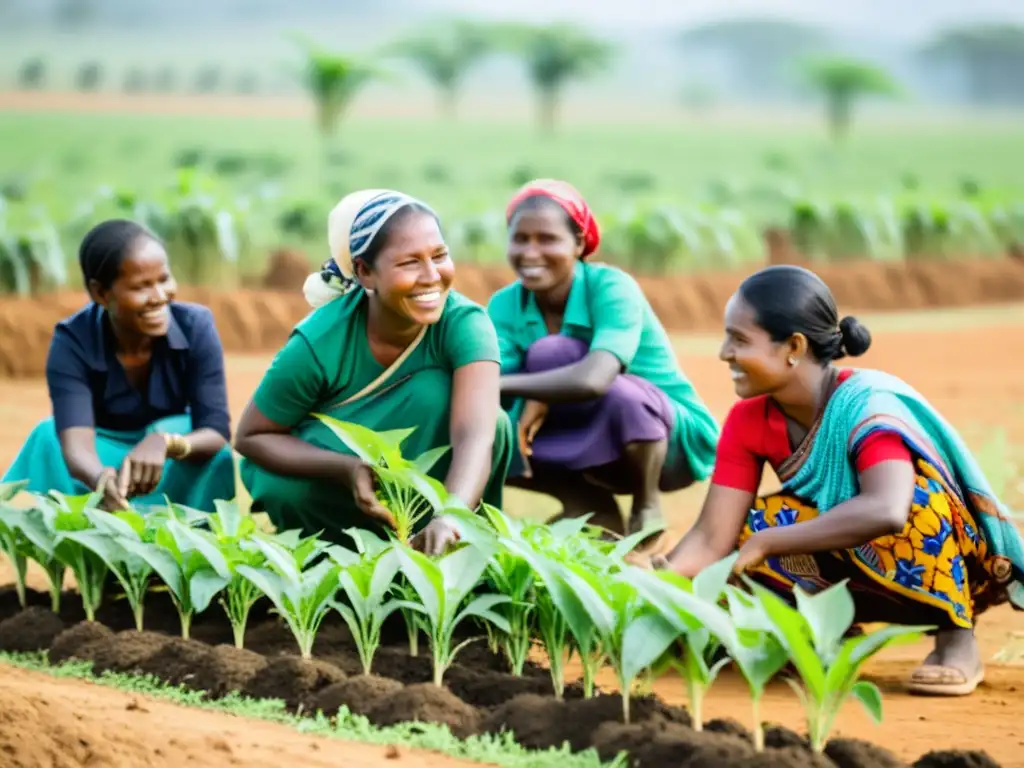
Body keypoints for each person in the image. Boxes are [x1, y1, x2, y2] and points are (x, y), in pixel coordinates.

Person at [659, 264, 1024, 697]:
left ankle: (954, 636)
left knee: (915, 505)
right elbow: (711, 537)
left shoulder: (864, 405)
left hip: (940, 561)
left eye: (739, 339)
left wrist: (772, 542)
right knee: (749, 527)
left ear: (793, 346)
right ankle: (828, 633)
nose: (724, 353)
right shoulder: (749, 420)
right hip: (851, 563)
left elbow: (887, 509)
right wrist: (655, 582)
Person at [234, 189, 513, 554]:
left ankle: (452, 545)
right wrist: (347, 468)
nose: (431, 276)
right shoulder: (320, 340)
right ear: (365, 272)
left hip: (434, 498)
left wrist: (452, 515)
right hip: (335, 483)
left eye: (439, 256)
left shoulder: (464, 323)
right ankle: (332, 559)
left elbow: (476, 435)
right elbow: (252, 437)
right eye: (409, 263)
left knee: (485, 417)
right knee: (287, 485)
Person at [487, 179, 719, 537]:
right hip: (584, 433)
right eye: (520, 239)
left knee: (555, 355)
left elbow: (594, 379)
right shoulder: (505, 304)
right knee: (492, 429)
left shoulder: (611, 287)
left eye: (547, 239)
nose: (530, 253)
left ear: (579, 243)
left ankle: (646, 504)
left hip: (667, 440)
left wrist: (533, 390)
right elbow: (489, 389)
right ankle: (590, 509)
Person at [3, 219, 236, 512]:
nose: (159, 296)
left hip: (166, 460)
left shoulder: (196, 327)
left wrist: (165, 442)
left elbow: (215, 430)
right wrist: (100, 479)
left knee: (210, 450)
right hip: (102, 455)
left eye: (163, 279)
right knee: (49, 438)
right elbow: (76, 442)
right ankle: (83, 541)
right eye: (141, 286)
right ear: (101, 293)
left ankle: (196, 544)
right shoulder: (73, 341)